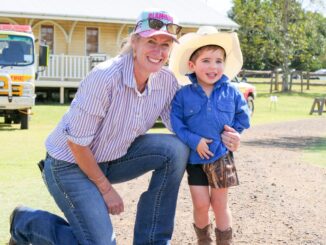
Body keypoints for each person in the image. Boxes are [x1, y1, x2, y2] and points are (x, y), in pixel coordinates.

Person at [8, 10, 241, 245]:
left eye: (165, 45)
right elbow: (76, 143)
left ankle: (153, 240)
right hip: (70, 165)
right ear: (135, 41)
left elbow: (184, 126)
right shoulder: (105, 77)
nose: (158, 51)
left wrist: (228, 136)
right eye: (151, 41)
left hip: (113, 158)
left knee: (176, 148)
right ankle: (26, 222)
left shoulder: (166, 81)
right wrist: (105, 189)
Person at [169, 26, 250, 245]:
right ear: (192, 65)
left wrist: (235, 135)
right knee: (201, 204)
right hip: (196, 159)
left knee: (220, 204)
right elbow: (176, 123)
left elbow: (243, 118)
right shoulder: (183, 95)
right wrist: (194, 141)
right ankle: (203, 240)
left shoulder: (232, 92)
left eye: (218, 60)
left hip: (222, 157)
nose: (213, 66)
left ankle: (225, 241)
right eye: (206, 61)